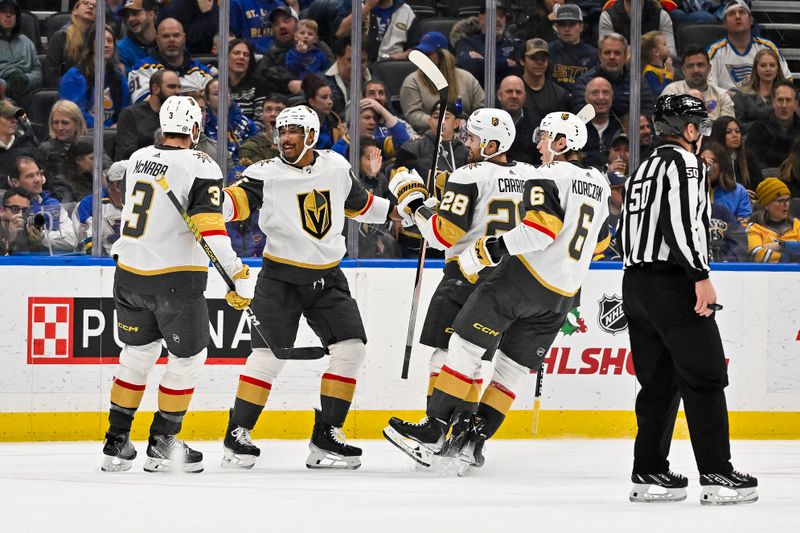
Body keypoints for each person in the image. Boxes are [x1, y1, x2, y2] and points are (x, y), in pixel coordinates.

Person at [386, 107, 610, 472]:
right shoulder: (598, 182)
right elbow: (600, 243)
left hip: (519, 279)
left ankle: (436, 428)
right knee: (508, 371)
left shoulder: (546, 173)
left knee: (461, 346)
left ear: (562, 142)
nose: (537, 144)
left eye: (543, 137)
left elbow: (539, 230)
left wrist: (485, 248)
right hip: (564, 295)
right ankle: (472, 442)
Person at [218, 105, 395, 470]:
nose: (284, 137)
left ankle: (326, 435)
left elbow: (362, 206)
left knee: (351, 350)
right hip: (279, 277)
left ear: (311, 136)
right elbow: (233, 204)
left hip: (328, 277)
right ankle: (237, 434)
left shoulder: (335, 167)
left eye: (294, 131)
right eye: (281, 131)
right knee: (269, 356)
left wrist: (409, 212)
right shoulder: (264, 173)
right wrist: (204, 201)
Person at [100, 95, 252, 473]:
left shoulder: (137, 158)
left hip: (129, 277)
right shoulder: (201, 164)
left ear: (162, 128)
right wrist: (236, 274)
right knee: (187, 359)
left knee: (136, 357)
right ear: (196, 130)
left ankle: (116, 443)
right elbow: (211, 230)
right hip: (175, 284)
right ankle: (163, 443)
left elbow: (129, 180)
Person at [619, 94, 757, 505]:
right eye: (701, 125)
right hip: (674, 283)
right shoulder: (687, 164)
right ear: (689, 129)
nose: (703, 134)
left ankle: (649, 472)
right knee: (706, 375)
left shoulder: (644, 168)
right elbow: (680, 224)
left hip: (636, 284)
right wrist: (699, 276)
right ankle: (716, 472)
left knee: (659, 383)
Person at [391, 108, 552, 450]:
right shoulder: (531, 174)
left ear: (494, 143)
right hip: (508, 281)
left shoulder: (468, 175)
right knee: (474, 359)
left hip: (465, 275)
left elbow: (442, 236)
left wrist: (413, 200)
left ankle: (435, 431)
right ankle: (463, 439)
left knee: (444, 354)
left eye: (474, 138)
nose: (468, 143)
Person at [399, 32, 484, 133]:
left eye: (428, 54)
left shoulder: (467, 78)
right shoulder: (412, 81)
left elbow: (481, 109)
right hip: (430, 136)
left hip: (466, 133)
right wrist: (443, 122)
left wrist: (467, 124)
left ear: (443, 55)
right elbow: (413, 116)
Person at [707, 0, 791, 91]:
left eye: (742, 12)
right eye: (732, 14)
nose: (737, 16)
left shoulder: (768, 48)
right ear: (724, 24)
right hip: (727, 104)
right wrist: (738, 97)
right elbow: (709, 88)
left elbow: (786, 81)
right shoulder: (714, 52)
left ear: (751, 21)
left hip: (764, 103)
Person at [59, 25, 131, 129]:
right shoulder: (75, 76)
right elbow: (75, 113)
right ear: (91, 45)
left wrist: (120, 125)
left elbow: (126, 109)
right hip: (84, 136)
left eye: (110, 41)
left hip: (112, 135)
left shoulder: (118, 76)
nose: (106, 45)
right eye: (101, 40)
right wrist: (103, 130)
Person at [128, 17, 214, 103]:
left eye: (176, 35)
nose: (171, 40)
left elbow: (214, 105)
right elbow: (143, 107)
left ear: (184, 38)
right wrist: (194, 95)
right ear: (157, 40)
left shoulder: (203, 71)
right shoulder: (142, 69)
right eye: (165, 36)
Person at [572, 33, 654, 120]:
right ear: (599, 55)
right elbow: (580, 117)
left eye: (617, 53)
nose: (612, 57)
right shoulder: (584, 82)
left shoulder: (638, 82)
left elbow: (647, 114)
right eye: (607, 53)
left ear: (625, 56)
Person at [8, 155, 78, 252]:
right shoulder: (5, 208)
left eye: (39, 174)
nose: (38, 180)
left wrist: (43, 237)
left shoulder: (52, 204)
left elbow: (72, 240)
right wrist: (10, 238)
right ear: (15, 182)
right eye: (30, 176)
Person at [519, 38, 570, 157]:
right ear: (522, 60)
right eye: (534, 58)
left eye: (543, 58)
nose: (539, 62)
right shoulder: (514, 91)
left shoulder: (560, 94)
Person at [115, 69, 181, 160]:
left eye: (179, 87)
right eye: (172, 87)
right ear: (156, 89)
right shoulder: (130, 114)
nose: (177, 92)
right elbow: (126, 153)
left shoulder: (180, 116)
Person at [454, 1, 521, 88]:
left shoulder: (515, 44)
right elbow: (470, 66)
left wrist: (484, 61)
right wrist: (506, 62)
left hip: (510, 95)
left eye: (502, 15)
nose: (498, 19)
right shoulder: (467, 42)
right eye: (493, 15)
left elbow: (520, 69)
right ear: (481, 18)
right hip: (479, 96)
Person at [662, 47, 735, 121]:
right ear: (683, 70)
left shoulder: (722, 96)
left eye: (700, 65)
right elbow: (666, 125)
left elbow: (729, 128)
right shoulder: (671, 92)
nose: (696, 70)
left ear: (709, 68)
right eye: (690, 66)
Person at [71, 160, 126, 254]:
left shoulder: (143, 205)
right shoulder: (88, 205)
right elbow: (92, 251)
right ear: (118, 186)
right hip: (104, 265)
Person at [335, 0, 415, 63]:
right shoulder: (356, 5)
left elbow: (415, 47)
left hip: (393, 66)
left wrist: (401, 56)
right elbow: (340, 33)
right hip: (362, 64)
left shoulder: (406, 11)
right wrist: (367, 7)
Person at [203, 78, 259, 165]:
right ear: (207, 100)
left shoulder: (245, 123)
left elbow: (257, 149)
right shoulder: (203, 125)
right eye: (216, 94)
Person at [746, 81, 800, 170]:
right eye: (780, 100)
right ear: (773, 102)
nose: (784, 105)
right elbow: (750, 163)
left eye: (788, 100)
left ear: (796, 104)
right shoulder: (758, 128)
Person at [732, 49, 788, 132]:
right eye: (763, 65)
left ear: (778, 70)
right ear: (756, 69)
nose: (768, 69)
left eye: (772, 65)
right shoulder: (742, 96)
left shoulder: (787, 95)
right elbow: (737, 125)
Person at [547, 3, 597, 95]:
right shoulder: (548, 51)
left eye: (572, 24)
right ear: (556, 27)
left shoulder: (593, 55)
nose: (567, 29)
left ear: (581, 26)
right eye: (562, 24)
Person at [746, 178, 800, 262]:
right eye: (781, 200)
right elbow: (756, 254)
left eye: (788, 200)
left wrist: (779, 246)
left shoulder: (797, 224)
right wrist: (791, 258)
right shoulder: (754, 229)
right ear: (766, 205)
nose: (787, 204)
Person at [42, 0, 95, 86]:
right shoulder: (61, 37)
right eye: (85, 3)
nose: (91, 7)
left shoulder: (100, 39)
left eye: (95, 6)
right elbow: (50, 76)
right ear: (75, 11)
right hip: (67, 88)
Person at [599, 0, 676, 58]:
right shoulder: (608, 16)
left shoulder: (662, 15)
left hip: (656, 70)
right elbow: (609, 55)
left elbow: (671, 54)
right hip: (621, 73)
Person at [0, 0, 42, 102]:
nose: (9, 15)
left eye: (12, 12)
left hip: (26, 91)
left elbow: (38, 72)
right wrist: (6, 84)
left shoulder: (27, 42)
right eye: (4, 11)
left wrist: (26, 79)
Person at [34, 100, 88, 178]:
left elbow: (107, 171)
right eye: (56, 123)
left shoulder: (91, 145)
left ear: (77, 124)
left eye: (65, 123)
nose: (60, 127)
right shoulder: (44, 151)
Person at [700, 142, 752, 221]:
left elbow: (744, 222)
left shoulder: (738, 191)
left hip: (730, 231)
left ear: (722, 164)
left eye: (714, 161)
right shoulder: (690, 189)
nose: (708, 165)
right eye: (703, 160)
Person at [709, 116, 761, 192]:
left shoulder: (748, 156)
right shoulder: (713, 158)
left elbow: (759, 185)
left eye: (737, 131)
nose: (735, 135)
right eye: (728, 132)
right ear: (719, 134)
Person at [324, 37, 371, 117]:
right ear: (338, 58)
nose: (357, 66)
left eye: (362, 61)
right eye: (351, 60)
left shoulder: (376, 83)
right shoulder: (322, 83)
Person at [496, 75, 536, 164]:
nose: (514, 96)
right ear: (499, 95)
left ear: (525, 96)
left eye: (518, 92)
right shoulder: (489, 122)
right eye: (509, 91)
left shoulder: (536, 124)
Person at [239, 94, 287, 164]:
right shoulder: (250, 147)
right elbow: (264, 171)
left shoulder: (298, 143)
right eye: (268, 110)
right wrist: (275, 143)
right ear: (262, 115)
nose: (273, 114)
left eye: (279, 110)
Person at [303, 73, 346, 150]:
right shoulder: (300, 126)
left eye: (331, 97)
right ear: (312, 101)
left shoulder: (336, 124)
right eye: (324, 97)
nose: (330, 102)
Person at [116, 0, 157, 72]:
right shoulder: (120, 49)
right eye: (127, 16)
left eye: (135, 13)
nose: (130, 19)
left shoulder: (165, 40)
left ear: (151, 14)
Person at [0, 186, 39, 254]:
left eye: (24, 210)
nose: (20, 214)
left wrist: (37, 243)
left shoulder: (28, 228)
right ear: (2, 211)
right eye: (15, 209)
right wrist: (10, 241)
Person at [641, 31, 673, 97]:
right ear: (656, 52)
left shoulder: (665, 67)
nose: (667, 46)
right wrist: (669, 75)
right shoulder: (649, 71)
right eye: (664, 44)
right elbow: (658, 92)